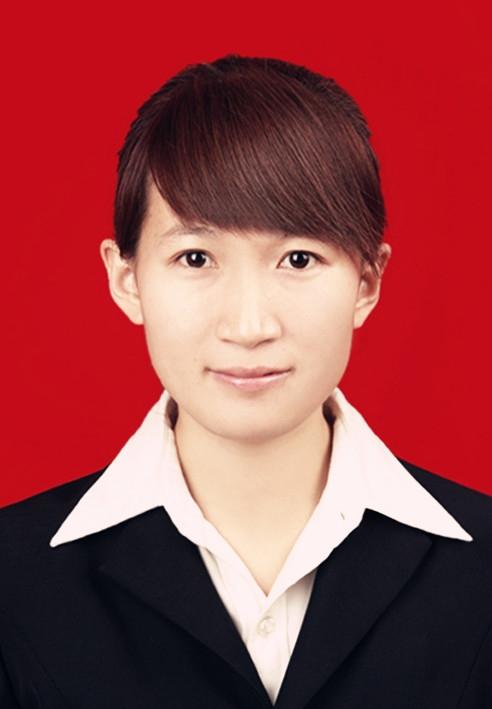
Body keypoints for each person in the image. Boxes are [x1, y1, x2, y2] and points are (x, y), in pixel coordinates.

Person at [1, 54, 491, 709]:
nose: (249, 325)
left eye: (298, 258)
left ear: (367, 282)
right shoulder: (13, 579)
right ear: (127, 280)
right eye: (195, 257)